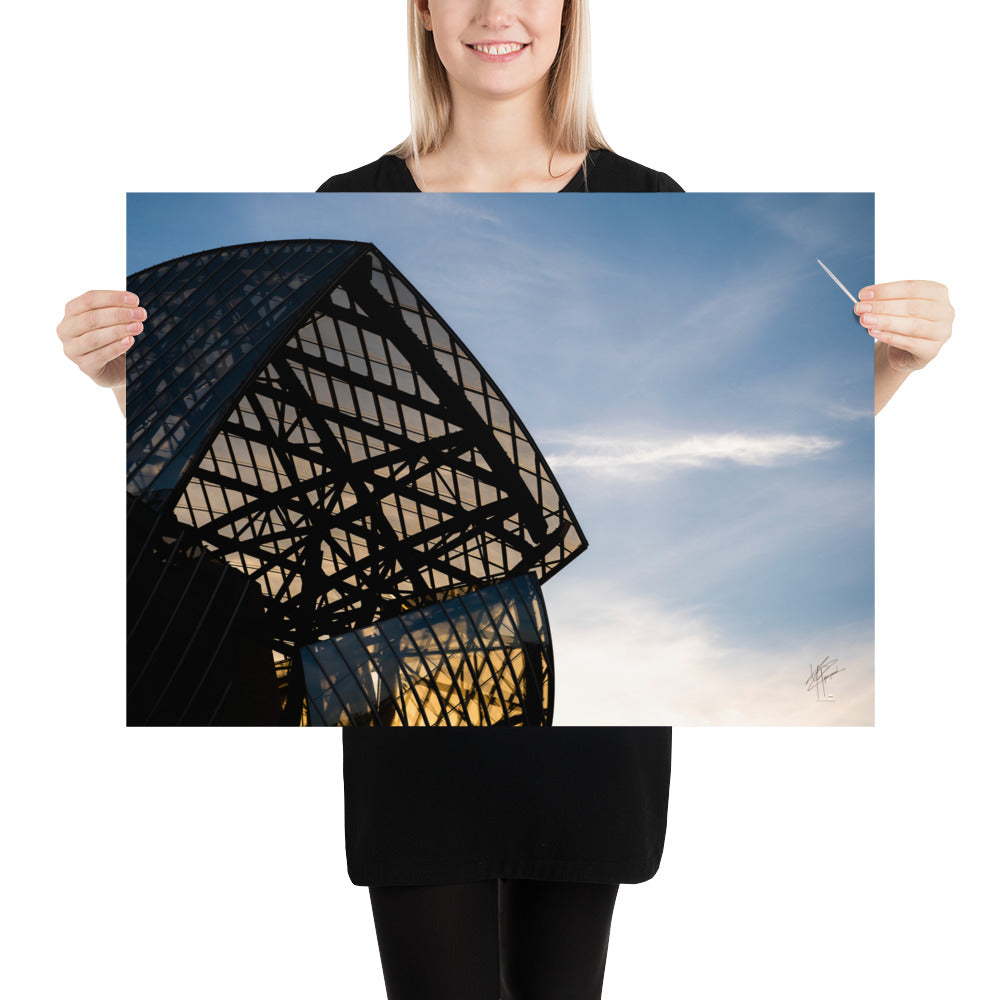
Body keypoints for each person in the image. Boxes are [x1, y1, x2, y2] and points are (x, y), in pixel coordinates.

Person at [55, 2, 953, 997]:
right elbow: (194, 472)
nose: (497, 11)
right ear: (424, 13)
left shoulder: (648, 196)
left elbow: (807, 451)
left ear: (570, 14)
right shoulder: (349, 196)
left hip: (590, 759)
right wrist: (117, 382)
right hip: (415, 761)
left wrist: (892, 367)